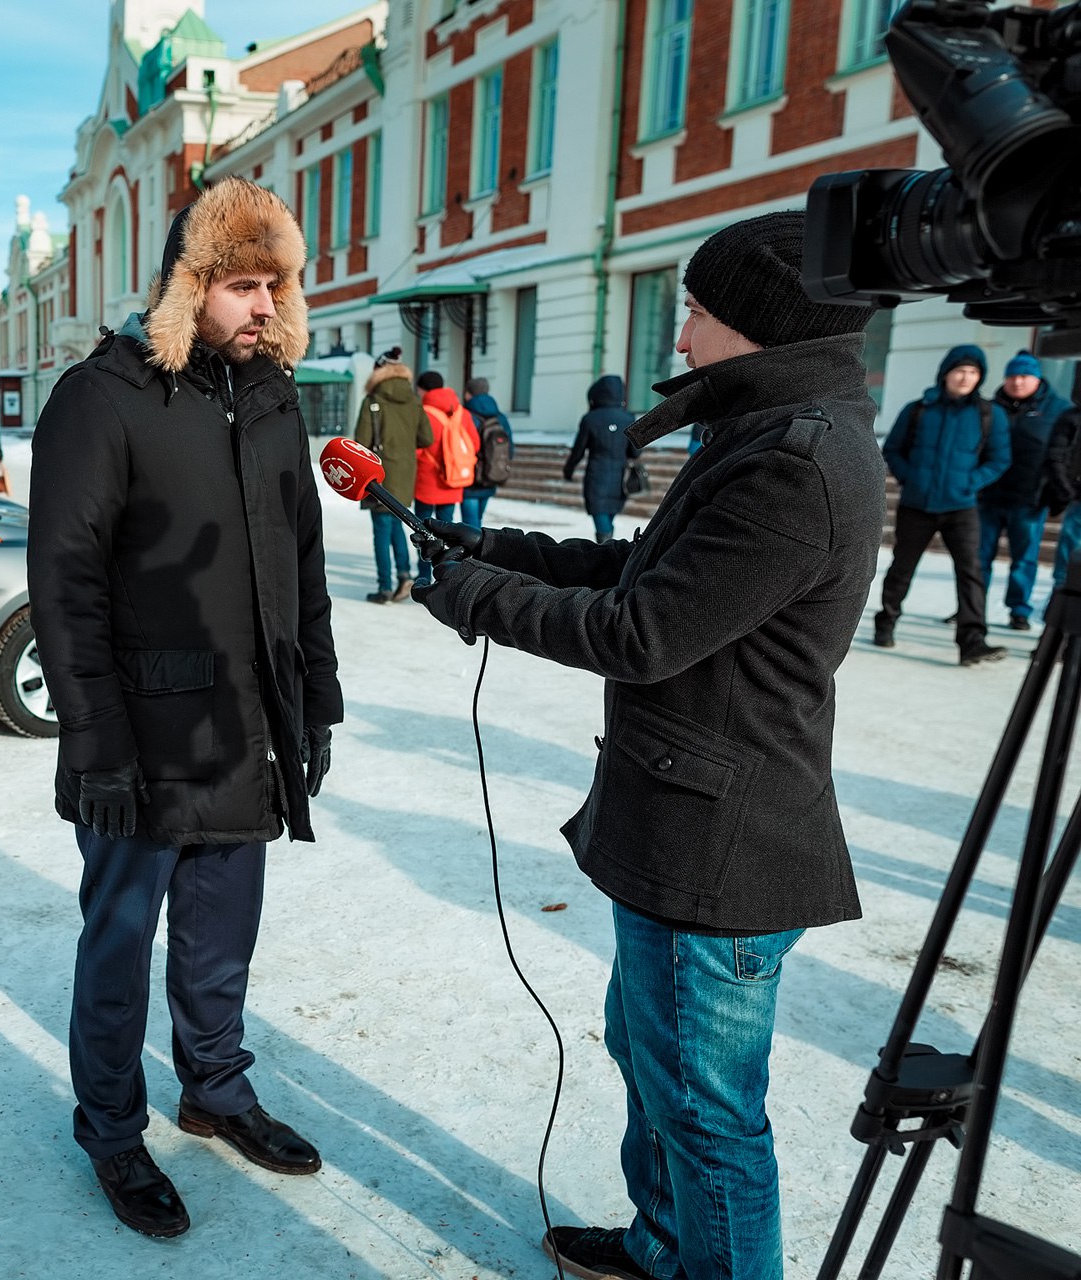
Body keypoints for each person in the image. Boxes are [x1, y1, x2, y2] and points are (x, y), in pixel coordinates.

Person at [414, 211, 887, 1280]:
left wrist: (481, 597)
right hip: (681, 821)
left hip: (717, 848)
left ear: (760, 328)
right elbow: (655, 572)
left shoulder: (796, 461)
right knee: (654, 1058)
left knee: (709, 1112)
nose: (680, 341)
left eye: (699, 314)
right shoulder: (770, 430)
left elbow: (645, 632)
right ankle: (664, 1244)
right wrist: (503, 545)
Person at [27, 177, 341, 1242]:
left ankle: (215, 1086)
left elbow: (303, 557)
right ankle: (112, 1125)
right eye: (240, 284)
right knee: (118, 940)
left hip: (245, 724)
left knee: (222, 933)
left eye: (274, 285)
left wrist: (318, 699)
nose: (262, 305)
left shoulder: (274, 398)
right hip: (140, 739)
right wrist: (92, 737)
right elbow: (63, 580)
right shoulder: (102, 396)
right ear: (187, 284)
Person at [873, 345, 1011, 664]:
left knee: (970, 573)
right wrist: (912, 479)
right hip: (917, 505)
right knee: (901, 568)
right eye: (960, 370)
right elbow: (892, 450)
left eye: (974, 372)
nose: (966, 377)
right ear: (946, 372)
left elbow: (999, 459)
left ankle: (972, 641)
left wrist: (970, 483)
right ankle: (886, 624)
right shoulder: (918, 409)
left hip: (961, 507)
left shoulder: (989, 414)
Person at [979, 351, 1077, 630]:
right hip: (988, 495)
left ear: (1036, 378)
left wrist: (1058, 491)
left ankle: (1019, 610)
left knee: (1024, 559)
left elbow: (1065, 453)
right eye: (1011, 376)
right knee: (979, 557)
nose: (1017, 382)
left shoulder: (1057, 408)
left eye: (1024, 376)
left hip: (1030, 498)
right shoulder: (990, 407)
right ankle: (973, 607)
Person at [351, 347, 432, 603]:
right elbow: (426, 438)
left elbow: (360, 442)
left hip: (378, 476)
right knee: (397, 523)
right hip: (405, 474)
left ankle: (385, 586)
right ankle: (404, 574)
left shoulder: (373, 400)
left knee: (382, 530)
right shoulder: (413, 401)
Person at [413, 370, 478, 591]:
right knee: (448, 529)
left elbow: (418, 448)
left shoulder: (423, 412)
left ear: (423, 389)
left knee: (423, 531)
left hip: (427, 480)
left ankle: (423, 575)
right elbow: (474, 444)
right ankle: (446, 573)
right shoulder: (461, 412)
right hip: (453, 479)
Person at [565, 375, 639, 540]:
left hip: (596, 476)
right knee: (609, 517)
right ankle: (608, 550)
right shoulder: (628, 418)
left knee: (600, 518)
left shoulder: (590, 419)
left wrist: (568, 470)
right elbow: (635, 452)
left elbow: (578, 450)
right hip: (620, 478)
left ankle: (606, 552)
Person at [461, 377, 512, 529]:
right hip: (492, 473)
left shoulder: (466, 415)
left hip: (471, 477)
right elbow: (510, 447)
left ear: (468, 394)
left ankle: (475, 552)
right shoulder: (500, 417)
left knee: (470, 524)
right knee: (478, 520)